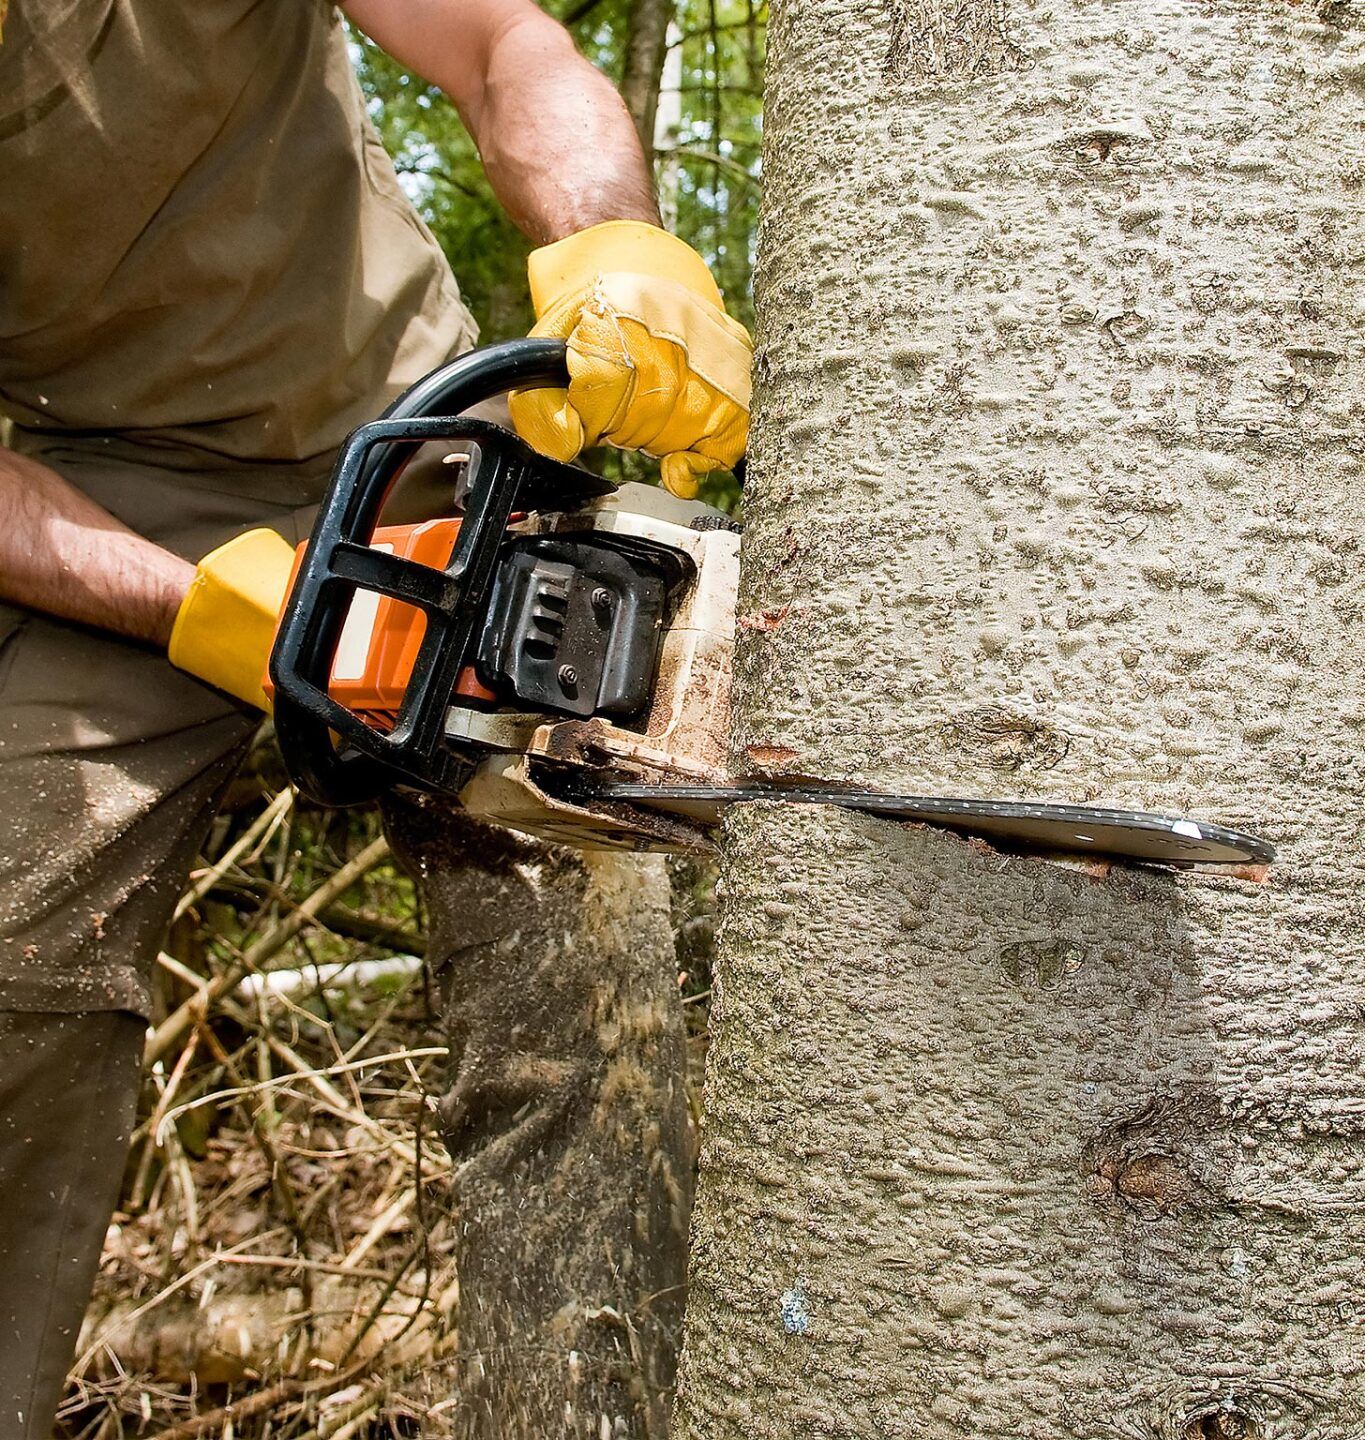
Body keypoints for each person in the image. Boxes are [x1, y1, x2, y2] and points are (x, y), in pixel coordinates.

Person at [0, 1, 749, 1434]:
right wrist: (202, 613)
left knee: (578, 990)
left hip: (420, 441)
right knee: (13, 942)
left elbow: (498, 46)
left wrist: (617, 247)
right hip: (105, 512)